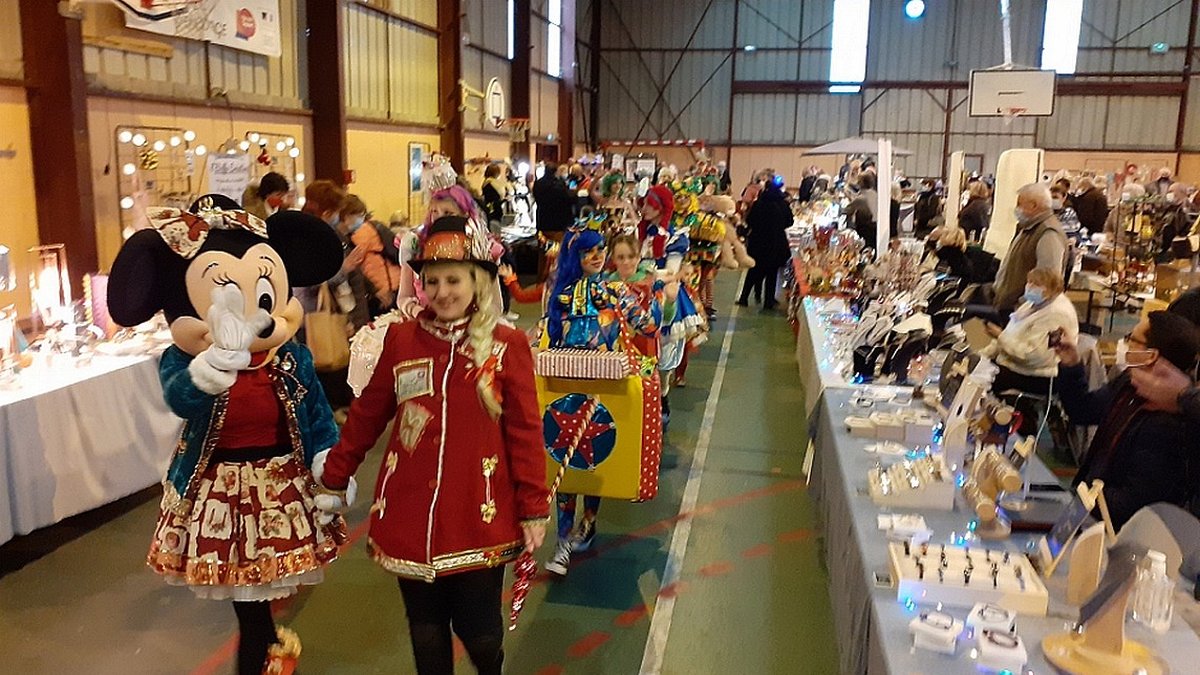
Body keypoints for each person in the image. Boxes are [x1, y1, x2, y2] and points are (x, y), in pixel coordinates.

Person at [107, 196, 346, 675]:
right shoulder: (185, 360)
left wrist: (329, 465)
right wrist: (212, 368)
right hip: (220, 493)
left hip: (281, 487)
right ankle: (260, 654)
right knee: (247, 602)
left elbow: (317, 416)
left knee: (260, 594)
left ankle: (269, 645)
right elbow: (180, 398)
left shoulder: (291, 359)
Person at [313, 215, 549, 675]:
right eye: (433, 281)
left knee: (480, 632)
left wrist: (534, 506)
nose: (442, 291)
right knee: (425, 631)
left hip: (480, 511)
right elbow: (367, 416)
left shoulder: (508, 344)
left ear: (477, 281)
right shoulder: (400, 339)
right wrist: (335, 475)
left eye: (453, 280)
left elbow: (524, 430)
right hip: (409, 512)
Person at [543, 225, 664, 576]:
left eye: (600, 251)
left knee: (593, 461)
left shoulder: (615, 292)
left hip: (603, 390)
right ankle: (563, 541)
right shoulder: (561, 293)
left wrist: (657, 296)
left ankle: (589, 522)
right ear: (575, 256)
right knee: (565, 464)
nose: (596, 257)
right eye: (588, 252)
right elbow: (547, 332)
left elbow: (648, 327)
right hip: (564, 388)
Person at [1055, 311, 1200, 529]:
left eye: (1132, 338)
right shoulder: (1129, 383)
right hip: (1086, 510)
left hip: (1112, 531)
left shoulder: (1168, 422)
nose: (1125, 343)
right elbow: (1083, 410)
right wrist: (1071, 365)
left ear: (1151, 355)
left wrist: (1083, 504)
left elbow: (1134, 501)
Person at [984, 267, 1079, 433]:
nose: (1029, 286)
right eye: (1029, 282)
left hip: (1040, 375)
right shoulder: (1033, 304)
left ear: (1050, 289)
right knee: (979, 367)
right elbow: (1010, 333)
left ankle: (1015, 430)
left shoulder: (1057, 314)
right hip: (1018, 364)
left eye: (1036, 284)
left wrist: (1000, 337)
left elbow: (1036, 356)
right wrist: (985, 354)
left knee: (988, 378)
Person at [991, 182, 1068, 315]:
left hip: (1020, 312)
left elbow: (1047, 281)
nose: (1017, 208)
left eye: (1020, 203)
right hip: (1008, 305)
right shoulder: (1028, 228)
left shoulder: (1049, 234)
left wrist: (1021, 308)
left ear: (1033, 205)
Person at [737, 177, 792, 310]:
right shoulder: (783, 204)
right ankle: (768, 301)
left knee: (753, 271)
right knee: (772, 273)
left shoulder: (759, 203)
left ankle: (744, 297)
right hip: (776, 242)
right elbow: (789, 222)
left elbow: (750, 221)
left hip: (758, 242)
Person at [843, 171, 880, 249]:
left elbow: (846, 210)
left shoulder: (861, 198)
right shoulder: (875, 194)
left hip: (865, 230)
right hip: (876, 227)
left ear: (861, 183)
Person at [480, 163, 506, 227]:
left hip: (490, 209)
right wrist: (503, 200)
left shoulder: (486, 183)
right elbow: (494, 200)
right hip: (494, 211)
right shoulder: (492, 184)